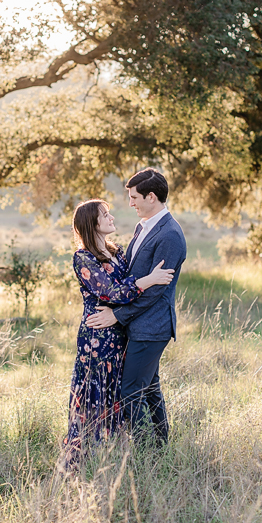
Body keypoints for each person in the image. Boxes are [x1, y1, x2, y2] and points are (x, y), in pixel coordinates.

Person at [62, 199, 174, 466]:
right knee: (96, 393)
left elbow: (124, 285)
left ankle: (118, 456)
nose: (111, 218)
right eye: (105, 214)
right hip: (98, 338)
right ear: (93, 223)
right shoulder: (83, 258)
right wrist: (149, 280)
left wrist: (137, 286)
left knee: (119, 393)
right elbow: (110, 292)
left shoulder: (117, 251)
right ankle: (89, 457)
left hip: (121, 333)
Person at [86, 168, 187, 445]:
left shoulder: (170, 235)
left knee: (130, 389)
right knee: (150, 388)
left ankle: (144, 451)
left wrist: (116, 315)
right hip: (139, 326)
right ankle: (161, 445)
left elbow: (155, 291)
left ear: (151, 197)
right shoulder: (143, 226)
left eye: (134, 198)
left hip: (152, 327)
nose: (130, 203)